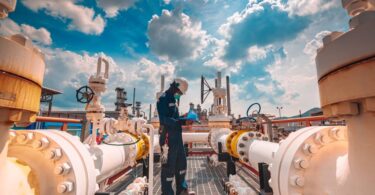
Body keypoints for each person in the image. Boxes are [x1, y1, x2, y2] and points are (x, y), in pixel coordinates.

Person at [157, 78, 195, 195]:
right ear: (175, 86)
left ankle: (182, 190)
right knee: (168, 168)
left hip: (177, 137)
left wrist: (185, 120)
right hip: (168, 138)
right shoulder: (163, 99)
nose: (180, 95)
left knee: (181, 165)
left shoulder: (173, 99)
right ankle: (167, 192)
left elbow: (175, 119)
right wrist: (180, 122)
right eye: (179, 92)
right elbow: (164, 119)